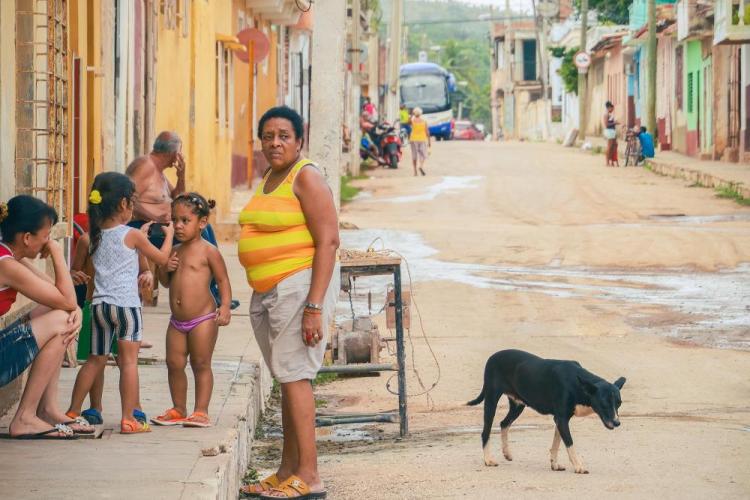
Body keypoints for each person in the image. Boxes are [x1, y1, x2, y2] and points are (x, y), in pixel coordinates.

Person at [238, 106, 339, 499]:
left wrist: (314, 305)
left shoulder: (306, 177)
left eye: (283, 135)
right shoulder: (270, 176)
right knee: (288, 377)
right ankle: (286, 472)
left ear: (300, 140)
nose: (274, 142)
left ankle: (310, 476)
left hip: (299, 289)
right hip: (271, 292)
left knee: (296, 377)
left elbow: (328, 240)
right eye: (268, 135)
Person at [68, 172, 174, 434]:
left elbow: (75, 269)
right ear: (124, 205)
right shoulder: (132, 236)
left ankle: (71, 411)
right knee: (128, 363)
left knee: (94, 360)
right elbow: (161, 258)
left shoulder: (89, 238)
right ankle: (129, 418)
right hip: (126, 307)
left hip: (100, 307)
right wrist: (169, 234)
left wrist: (75, 274)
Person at [0, 195, 86, 439]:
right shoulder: (7, 265)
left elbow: (57, 297)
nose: (48, 241)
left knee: (59, 315)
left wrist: (74, 310)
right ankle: (25, 418)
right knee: (61, 321)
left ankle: (47, 409)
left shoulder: (9, 256)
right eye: (46, 235)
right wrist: (58, 253)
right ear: (27, 238)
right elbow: (67, 300)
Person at [127, 131, 237, 311]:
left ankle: (213, 290)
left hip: (163, 226)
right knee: (196, 233)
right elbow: (130, 200)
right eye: (179, 152)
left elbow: (179, 200)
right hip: (146, 228)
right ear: (173, 152)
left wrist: (181, 175)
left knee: (203, 228)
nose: (180, 156)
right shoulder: (145, 165)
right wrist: (157, 217)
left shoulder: (160, 173)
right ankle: (212, 291)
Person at [151, 193, 232, 428]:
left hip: (203, 318)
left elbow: (223, 281)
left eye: (185, 220)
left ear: (202, 223)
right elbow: (165, 282)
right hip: (177, 322)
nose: (178, 225)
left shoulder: (209, 252)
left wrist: (225, 306)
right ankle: (178, 408)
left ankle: (200, 410)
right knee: (174, 363)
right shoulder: (173, 250)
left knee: (200, 363)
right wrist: (164, 267)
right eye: (175, 220)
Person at [66, 231, 153, 426]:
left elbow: (145, 269)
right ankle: (95, 407)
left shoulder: (131, 237)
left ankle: (135, 407)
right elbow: (75, 269)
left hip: (118, 306)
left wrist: (147, 276)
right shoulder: (88, 239)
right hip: (95, 304)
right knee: (98, 360)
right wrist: (74, 275)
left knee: (125, 360)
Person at [409, 107, 431, 176]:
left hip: (413, 139)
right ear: (421, 113)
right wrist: (429, 141)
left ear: (414, 113)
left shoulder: (412, 121)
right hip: (422, 139)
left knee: (414, 155)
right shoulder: (424, 121)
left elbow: (408, 122)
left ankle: (415, 172)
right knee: (423, 154)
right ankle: (421, 166)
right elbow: (427, 132)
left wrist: (411, 115)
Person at [602, 101, 619, 167]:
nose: (613, 110)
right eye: (612, 108)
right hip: (609, 132)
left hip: (612, 131)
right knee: (609, 147)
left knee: (614, 146)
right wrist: (615, 123)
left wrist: (615, 123)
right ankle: (607, 162)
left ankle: (612, 162)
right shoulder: (606, 114)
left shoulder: (609, 114)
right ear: (609, 107)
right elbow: (606, 125)